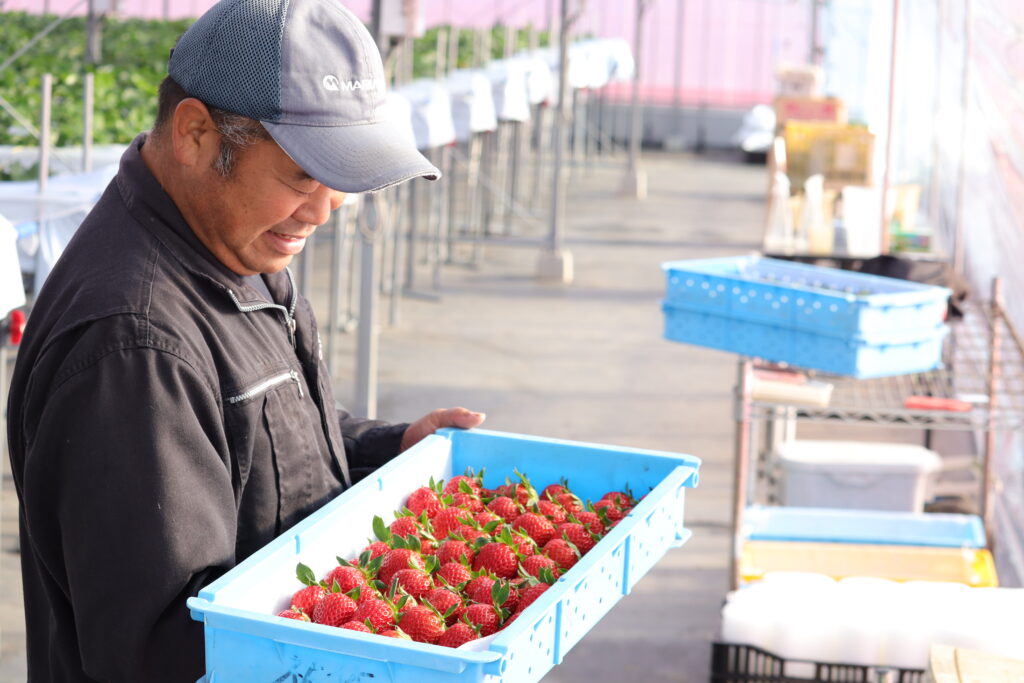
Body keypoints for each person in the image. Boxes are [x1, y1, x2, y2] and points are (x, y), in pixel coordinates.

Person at [5, 0, 484, 680]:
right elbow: (165, 653)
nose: (326, 210)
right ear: (196, 134)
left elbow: (252, 443)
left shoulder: (234, 250)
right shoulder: (134, 345)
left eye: (340, 179)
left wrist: (387, 449)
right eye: (302, 174)